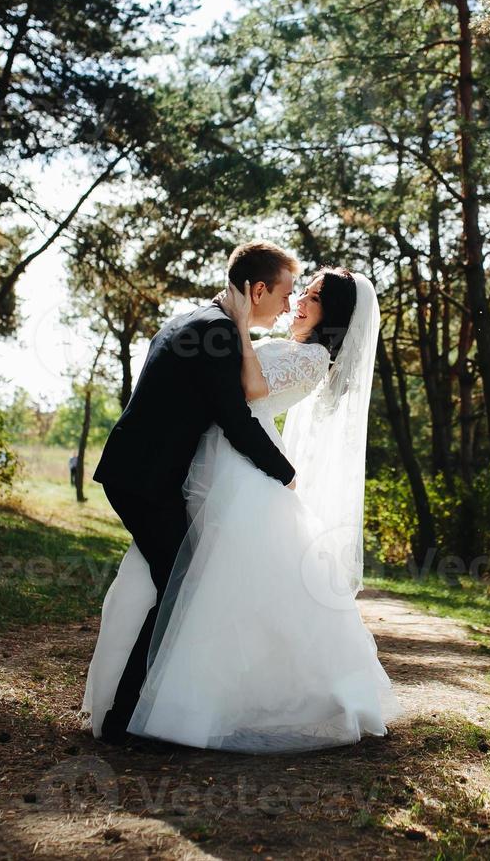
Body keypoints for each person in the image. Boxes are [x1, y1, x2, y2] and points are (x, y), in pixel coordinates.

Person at [83, 261, 400, 752]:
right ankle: (140, 705)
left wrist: (238, 325)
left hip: (242, 473)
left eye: (312, 297)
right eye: (300, 291)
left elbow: (249, 393)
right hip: (213, 464)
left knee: (208, 586)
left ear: (331, 313)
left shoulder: (312, 357)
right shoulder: (282, 345)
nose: (299, 301)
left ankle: (175, 706)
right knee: (177, 579)